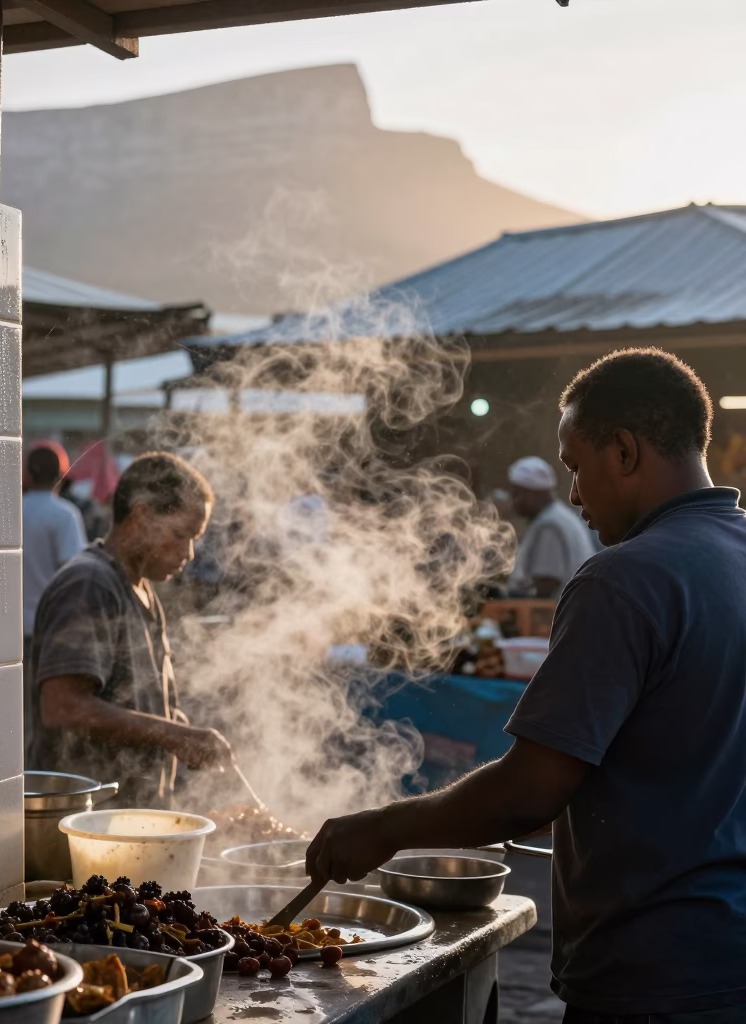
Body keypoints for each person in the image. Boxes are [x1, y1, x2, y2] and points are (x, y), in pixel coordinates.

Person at [306, 349, 746, 1022]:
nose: (574, 496)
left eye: (576, 466)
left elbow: (529, 793)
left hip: (655, 974)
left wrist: (384, 827)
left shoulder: (624, 579)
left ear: (624, 452)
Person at [28, 451, 234, 807]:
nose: (189, 554)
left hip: (129, 823)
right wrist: (175, 735)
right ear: (140, 516)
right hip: (86, 823)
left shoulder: (142, 590)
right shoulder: (89, 583)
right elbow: (63, 706)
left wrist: (187, 734)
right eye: (182, 534)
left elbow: (135, 700)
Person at [22, 443, 87, 756]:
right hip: (49, 634)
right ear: (63, 474)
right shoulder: (65, 516)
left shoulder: (11, 511)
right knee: (44, 719)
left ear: (27, 473)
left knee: (16, 714)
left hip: (10, 632)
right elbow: (75, 575)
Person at [507, 455, 597, 599]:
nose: (514, 501)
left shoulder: (549, 525)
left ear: (533, 493)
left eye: (517, 494)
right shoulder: (559, 516)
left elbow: (546, 585)